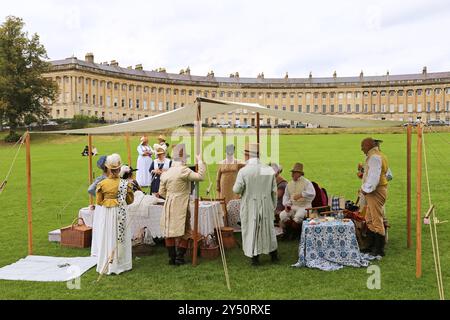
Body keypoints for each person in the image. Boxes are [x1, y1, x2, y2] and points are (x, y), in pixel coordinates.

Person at [157, 144, 206, 266]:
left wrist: (170, 197)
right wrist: (200, 161)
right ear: (182, 158)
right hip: (181, 204)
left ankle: (172, 258)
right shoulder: (183, 170)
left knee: (169, 231)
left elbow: (161, 192)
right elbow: (200, 176)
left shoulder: (166, 173)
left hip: (169, 204)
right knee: (185, 231)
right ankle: (179, 258)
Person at [232, 143, 278, 266]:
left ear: (247, 155)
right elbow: (274, 191)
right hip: (266, 203)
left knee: (252, 229)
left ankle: (255, 257)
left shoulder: (244, 171)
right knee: (268, 228)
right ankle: (273, 254)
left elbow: (236, 190)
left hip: (250, 204)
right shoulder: (268, 170)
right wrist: (272, 206)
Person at [95, 154, 134, 275]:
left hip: (107, 212)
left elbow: (99, 201)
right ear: (119, 169)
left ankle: (107, 263)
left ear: (107, 168)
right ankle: (122, 262)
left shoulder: (102, 184)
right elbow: (130, 200)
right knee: (121, 236)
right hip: (121, 211)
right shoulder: (125, 183)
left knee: (108, 235)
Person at [360, 137, 390, 257]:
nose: (361, 149)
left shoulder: (374, 157)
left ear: (368, 145)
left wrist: (365, 189)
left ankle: (379, 249)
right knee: (369, 218)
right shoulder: (379, 155)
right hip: (375, 190)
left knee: (376, 219)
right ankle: (372, 245)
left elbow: (374, 177)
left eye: (362, 146)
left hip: (375, 191)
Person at [279, 163, 316, 239]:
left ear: (300, 173)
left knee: (298, 216)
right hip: (293, 206)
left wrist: (302, 194)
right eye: (292, 172)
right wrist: (286, 205)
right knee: (283, 215)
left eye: (294, 172)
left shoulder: (307, 182)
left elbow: (312, 193)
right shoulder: (289, 184)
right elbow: (286, 196)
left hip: (305, 206)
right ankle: (290, 232)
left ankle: (295, 234)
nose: (292, 175)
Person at [88, 155, 108, 257]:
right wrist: (100, 197)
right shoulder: (101, 179)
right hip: (102, 205)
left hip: (103, 204)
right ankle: (101, 249)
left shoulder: (106, 178)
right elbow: (90, 189)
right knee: (102, 225)